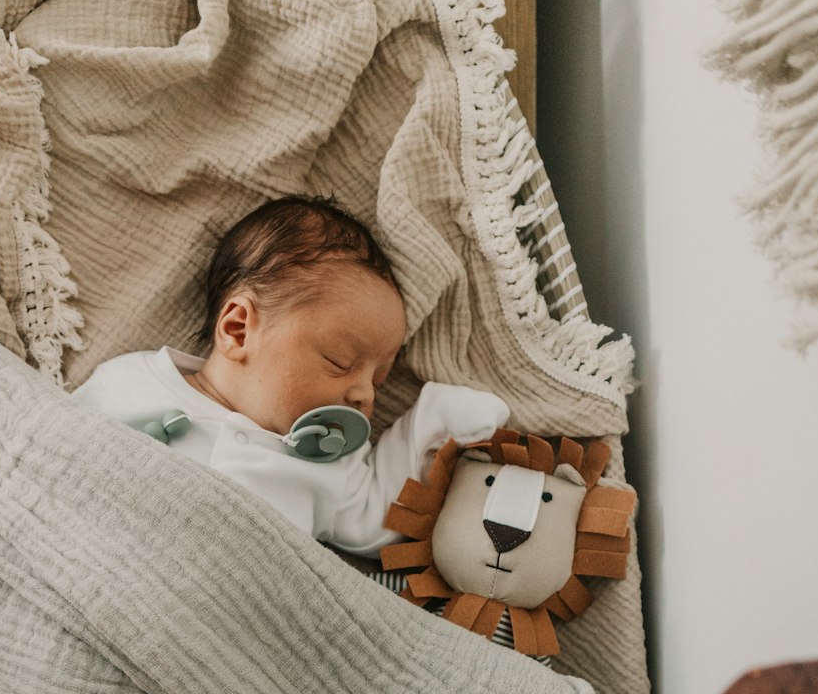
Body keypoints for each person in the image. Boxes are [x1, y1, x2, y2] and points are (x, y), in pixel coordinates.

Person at [71, 196, 509, 555]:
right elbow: (47, 447)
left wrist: (434, 421)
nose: (364, 395)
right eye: (340, 361)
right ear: (238, 329)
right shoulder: (130, 382)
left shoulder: (329, 464)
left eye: (379, 380)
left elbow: (380, 522)